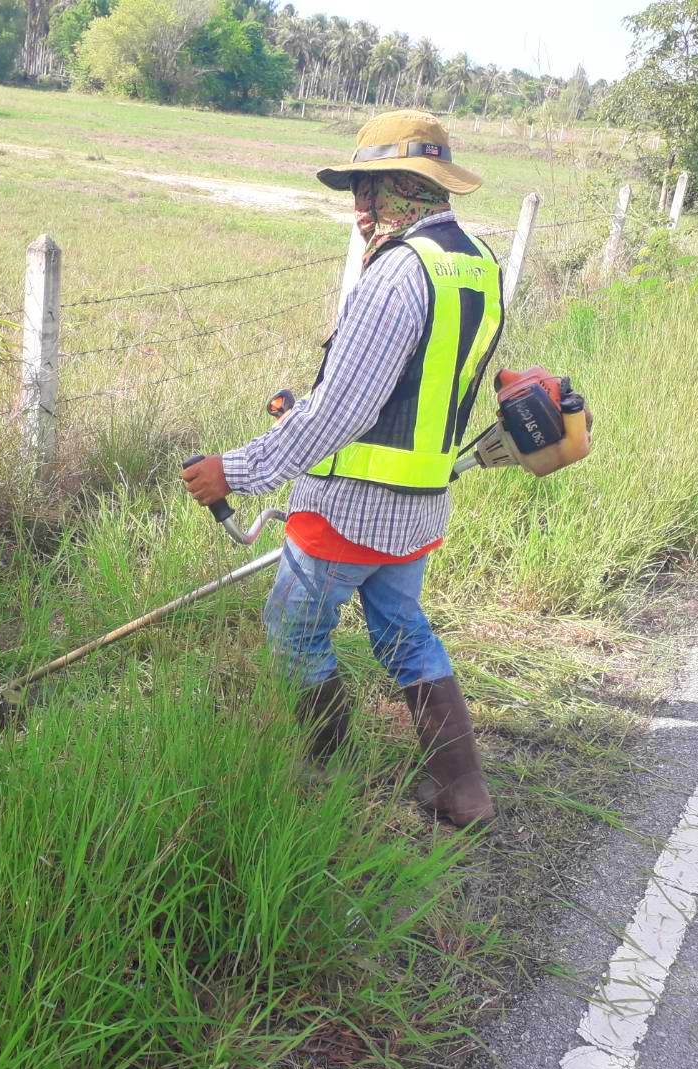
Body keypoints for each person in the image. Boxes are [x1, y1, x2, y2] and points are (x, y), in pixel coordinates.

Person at [181, 110, 504, 827]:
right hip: (419, 502)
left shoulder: (397, 274)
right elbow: (420, 386)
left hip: (347, 508)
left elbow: (341, 415)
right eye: (355, 191)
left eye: (370, 189)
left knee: (295, 633)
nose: (359, 208)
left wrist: (234, 470)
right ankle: (463, 792)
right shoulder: (477, 262)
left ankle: (325, 778)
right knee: (403, 632)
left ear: (408, 185)